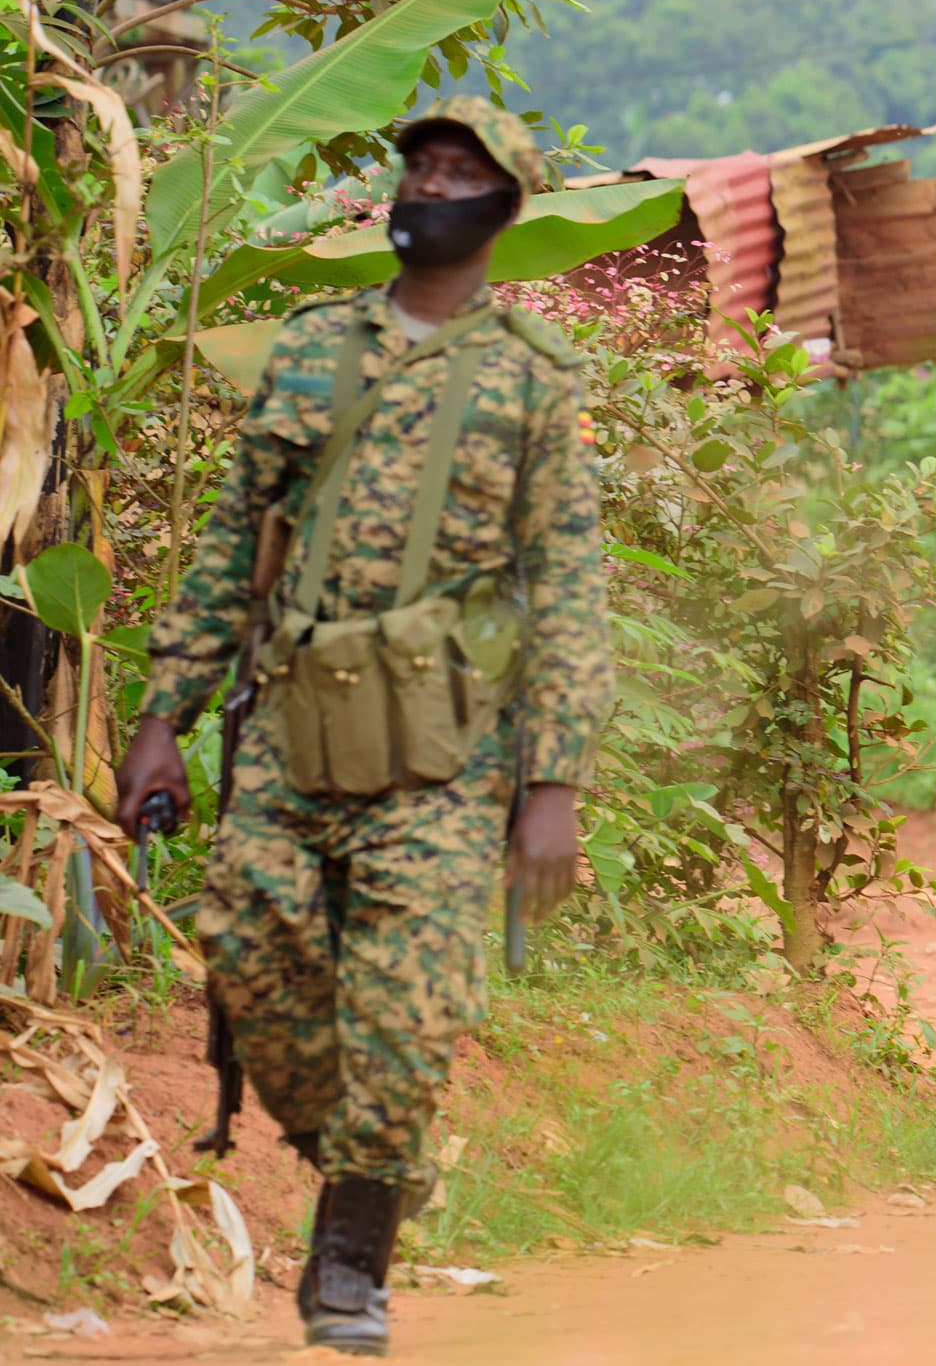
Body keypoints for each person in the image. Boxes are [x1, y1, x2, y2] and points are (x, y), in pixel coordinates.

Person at [114, 97, 609, 1356]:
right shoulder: (310, 348)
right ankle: (376, 1152)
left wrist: (551, 782)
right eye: (419, 161)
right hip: (287, 725)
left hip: (446, 750)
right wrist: (165, 711)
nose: (428, 181)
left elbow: (566, 583)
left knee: (408, 1007)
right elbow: (236, 538)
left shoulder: (532, 377)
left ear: (503, 205)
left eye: (459, 168)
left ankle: (350, 1259)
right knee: (249, 952)